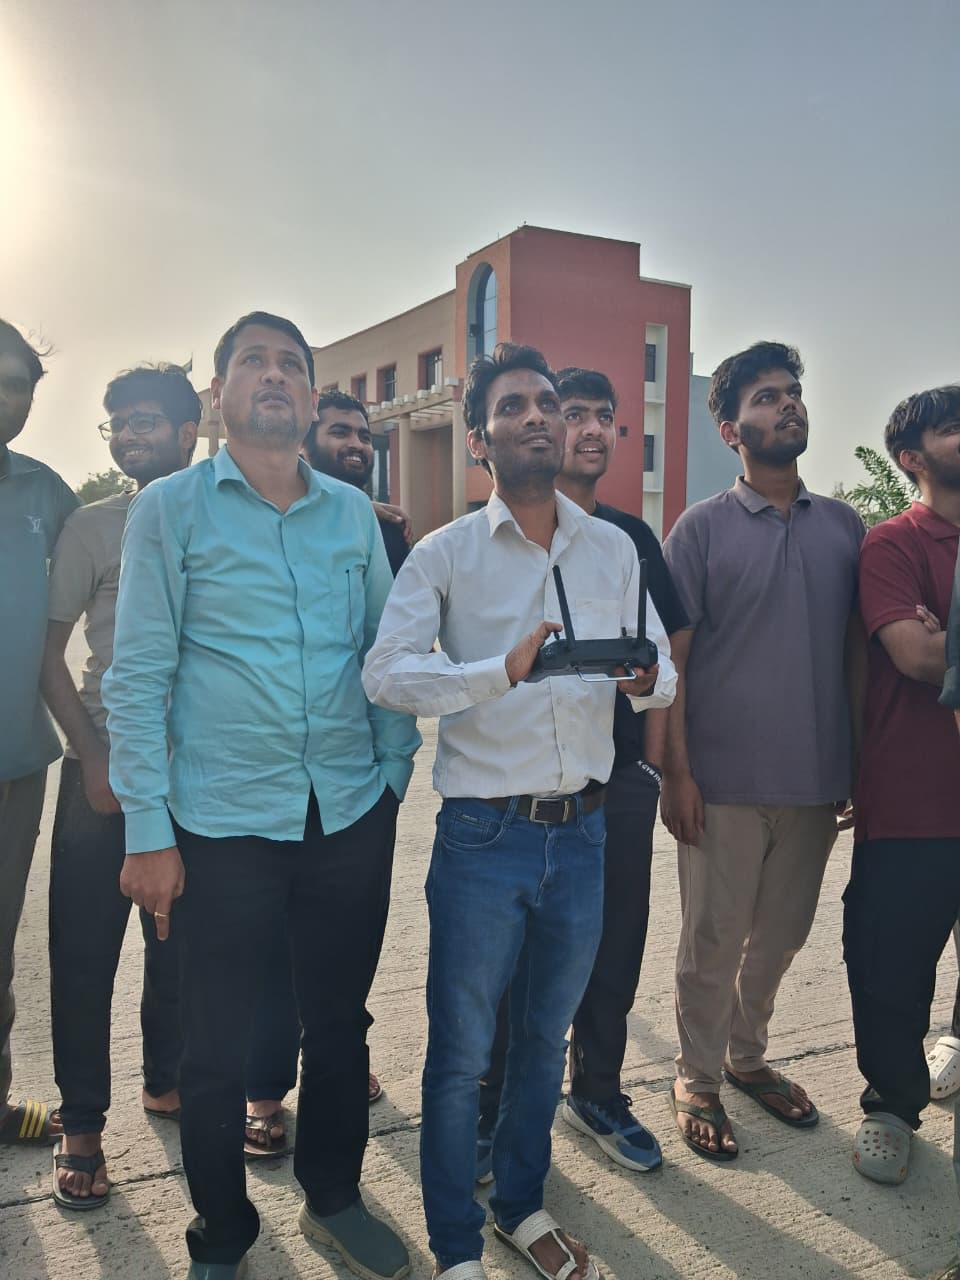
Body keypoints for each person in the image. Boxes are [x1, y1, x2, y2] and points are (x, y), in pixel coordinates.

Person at [101, 312, 421, 1280]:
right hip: (220, 824)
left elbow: (384, 653)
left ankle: (333, 1197)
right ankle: (222, 1234)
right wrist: (148, 830)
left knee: (341, 1023)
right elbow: (137, 675)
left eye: (291, 364)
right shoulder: (170, 510)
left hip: (346, 815)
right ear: (219, 394)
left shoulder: (351, 516)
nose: (274, 375)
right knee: (215, 1045)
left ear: (312, 396)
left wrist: (393, 775)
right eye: (253, 361)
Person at [363, 342, 676, 1280]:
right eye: (513, 406)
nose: (538, 416)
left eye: (546, 401)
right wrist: (497, 671)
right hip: (483, 835)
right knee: (462, 1055)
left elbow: (662, 672)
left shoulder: (614, 547)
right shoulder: (445, 553)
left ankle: (520, 1208)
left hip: (584, 832)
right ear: (478, 439)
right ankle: (456, 1249)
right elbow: (387, 674)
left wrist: (644, 678)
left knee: (544, 1044)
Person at [476, 367, 689, 1180]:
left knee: (615, 942)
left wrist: (657, 767)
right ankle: (493, 1107)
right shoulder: (485, 539)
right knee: (509, 960)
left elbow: (670, 650)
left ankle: (597, 1091)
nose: (592, 428)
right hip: (513, 782)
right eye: (576, 413)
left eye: (606, 415)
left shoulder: (630, 540)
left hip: (616, 778)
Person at [661, 340, 864, 1161]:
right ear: (729, 428)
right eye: (767, 397)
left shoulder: (845, 528)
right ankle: (696, 1076)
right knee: (712, 940)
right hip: (721, 782)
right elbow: (671, 664)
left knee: (781, 938)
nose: (788, 405)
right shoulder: (700, 530)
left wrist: (859, 762)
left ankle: (746, 1059)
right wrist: (675, 772)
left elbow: (855, 654)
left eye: (793, 392)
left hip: (816, 784)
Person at [40, 364, 199, 1208]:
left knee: (179, 946)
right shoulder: (93, 526)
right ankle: (81, 1123)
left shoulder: (219, 516)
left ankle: (165, 1080)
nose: (130, 437)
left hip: (194, 776)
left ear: (188, 433)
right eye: (119, 424)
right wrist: (93, 755)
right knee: (85, 952)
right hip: (100, 767)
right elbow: (48, 651)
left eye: (146, 421)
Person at [241, 389, 410, 1156]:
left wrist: (393, 773)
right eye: (340, 430)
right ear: (307, 436)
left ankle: (336, 1057)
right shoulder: (253, 517)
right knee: (272, 950)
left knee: (347, 947)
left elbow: (394, 643)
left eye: (364, 435)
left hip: (356, 784)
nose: (356, 444)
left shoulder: (387, 531)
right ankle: (264, 1086)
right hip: (267, 782)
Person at [844, 384, 960, 1185]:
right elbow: (917, 658)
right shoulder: (893, 544)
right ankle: (891, 1105)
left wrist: (951, 639)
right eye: (955, 429)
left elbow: (941, 653)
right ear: (911, 457)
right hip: (914, 800)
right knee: (891, 965)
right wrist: (940, 647)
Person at [0, 318, 77, 1147]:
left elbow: (126, 536)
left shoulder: (43, 492)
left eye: (16, 384)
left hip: (15, 762)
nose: (3, 398)